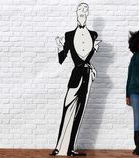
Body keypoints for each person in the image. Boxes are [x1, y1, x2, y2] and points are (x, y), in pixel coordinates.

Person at [50, 3, 101, 156]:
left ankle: (70, 148)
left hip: (87, 76)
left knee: (80, 113)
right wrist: (59, 47)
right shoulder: (69, 35)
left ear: (88, 13)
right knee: (67, 109)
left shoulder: (94, 35)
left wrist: (93, 49)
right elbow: (61, 59)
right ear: (76, 12)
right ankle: (59, 147)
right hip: (75, 76)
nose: (83, 11)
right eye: (80, 9)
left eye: (86, 9)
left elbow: (88, 57)